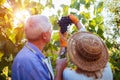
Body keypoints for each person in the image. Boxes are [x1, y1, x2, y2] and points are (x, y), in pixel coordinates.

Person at [12, 15, 67, 80]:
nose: (51, 31)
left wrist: (63, 44)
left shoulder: (30, 54)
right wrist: (59, 68)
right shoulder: (32, 62)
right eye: (50, 28)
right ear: (44, 35)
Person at [61, 14, 113, 80]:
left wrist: (63, 44)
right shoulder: (107, 71)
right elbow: (89, 45)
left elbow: (61, 63)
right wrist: (77, 23)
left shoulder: (70, 75)